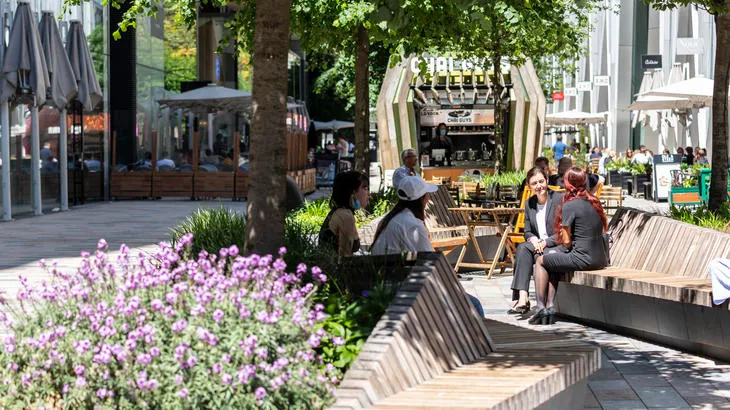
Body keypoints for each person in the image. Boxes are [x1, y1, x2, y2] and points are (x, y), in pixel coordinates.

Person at [530, 167, 609, 325]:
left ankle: (540, 307)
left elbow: (566, 242)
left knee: (540, 261)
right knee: (553, 259)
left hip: (582, 259)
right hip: (601, 258)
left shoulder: (569, 206)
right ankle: (550, 306)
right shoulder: (594, 201)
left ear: (568, 184)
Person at [509, 166, 561, 314]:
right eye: (534, 183)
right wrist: (533, 240)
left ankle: (532, 301)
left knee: (535, 254)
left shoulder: (558, 199)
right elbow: (527, 231)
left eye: (541, 181)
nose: (539, 186)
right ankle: (523, 297)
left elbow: (563, 231)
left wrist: (546, 242)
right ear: (529, 186)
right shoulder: (529, 203)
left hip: (554, 244)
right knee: (524, 248)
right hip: (538, 244)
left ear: (547, 180)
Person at [371, 176, 437, 255]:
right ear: (422, 198)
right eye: (427, 194)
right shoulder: (414, 226)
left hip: (381, 265)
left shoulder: (388, 219)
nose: (428, 198)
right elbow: (430, 258)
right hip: (396, 266)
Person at [318, 171, 370, 257]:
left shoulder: (342, 212)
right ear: (353, 192)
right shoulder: (345, 216)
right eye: (365, 188)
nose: (368, 193)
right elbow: (345, 259)